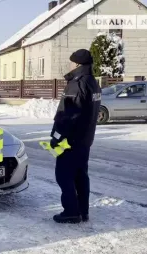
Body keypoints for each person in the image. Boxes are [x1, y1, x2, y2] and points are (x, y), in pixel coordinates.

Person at [50, 49, 101, 224]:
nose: (69, 65)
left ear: (77, 64)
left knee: (63, 175)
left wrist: (56, 137)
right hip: (85, 139)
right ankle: (82, 211)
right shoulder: (92, 82)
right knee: (81, 176)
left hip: (70, 140)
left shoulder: (76, 84)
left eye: (71, 62)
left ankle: (71, 211)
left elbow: (68, 115)